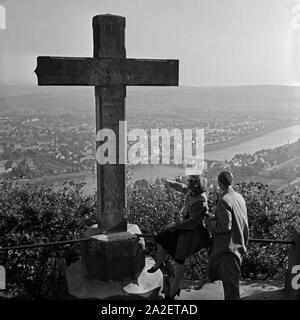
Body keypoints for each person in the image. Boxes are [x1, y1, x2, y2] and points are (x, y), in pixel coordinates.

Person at [147, 175, 211, 300]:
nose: (188, 186)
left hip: (194, 234)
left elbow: (193, 223)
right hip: (184, 228)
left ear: (196, 187)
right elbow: (181, 187)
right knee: (160, 238)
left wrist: (175, 224)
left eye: (191, 185)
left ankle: (175, 288)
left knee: (179, 258)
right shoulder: (192, 192)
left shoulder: (201, 202)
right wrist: (168, 182)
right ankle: (159, 263)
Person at [204, 171, 249, 300]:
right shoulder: (239, 197)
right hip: (239, 244)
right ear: (231, 181)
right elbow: (235, 220)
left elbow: (224, 226)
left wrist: (210, 222)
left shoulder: (223, 200)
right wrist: (215, 217)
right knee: (232, 284)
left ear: (219, 183)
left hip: (228, 249)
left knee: (230, 286)